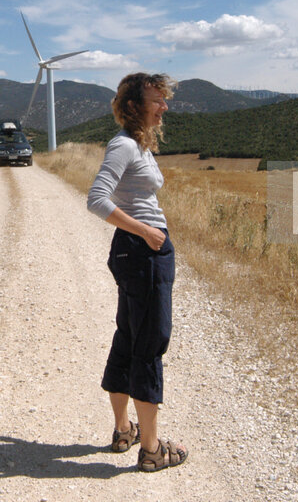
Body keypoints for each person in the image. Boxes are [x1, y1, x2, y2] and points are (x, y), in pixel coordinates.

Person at [86, 72, 188, 472]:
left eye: (164, 99)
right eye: (156, 100)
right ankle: (151, 449)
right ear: (134, 106)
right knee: (148, 344)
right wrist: (146, 231)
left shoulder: (138, 144)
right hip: (143, 253)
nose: (164, 106)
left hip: (137, 253)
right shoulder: (125, 145)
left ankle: (123, 429)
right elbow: (96, 199)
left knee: (129, 336)